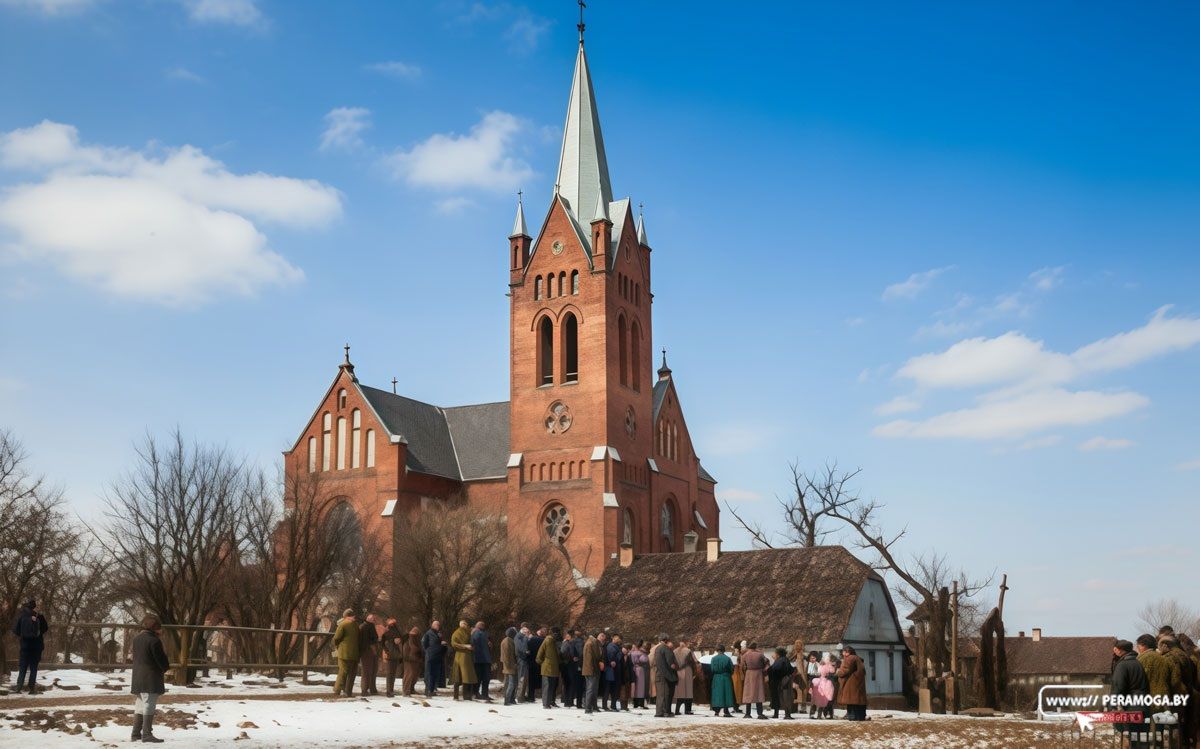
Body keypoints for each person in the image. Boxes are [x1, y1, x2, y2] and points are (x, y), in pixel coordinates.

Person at [130, 614, 171, 743]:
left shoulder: (137, 639)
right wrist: (165, 668)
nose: (161, 630)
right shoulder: (154, 641)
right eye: (159, 628)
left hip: (138, 677)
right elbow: (161, 660)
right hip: (150, 677)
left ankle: (136, 733)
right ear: (155, 628)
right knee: (149, 705)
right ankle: (147, 734)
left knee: (140, 705)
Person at [1111, 639, 1149, 741]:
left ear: (1120, 650)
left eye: (1115, 649)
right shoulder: (1137, 662)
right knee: (1141, 740)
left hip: (1131, 707)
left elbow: (1118, 687)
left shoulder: (1122, 665)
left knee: (1132, 739)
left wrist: (1112, 705)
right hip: (1143, 704)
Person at [11, 600, 48, 696]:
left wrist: (24, 635)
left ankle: (18, 687)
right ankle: (32, 688)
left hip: (25, 646)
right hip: (36, 647)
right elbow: (45, 629)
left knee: (22, 667)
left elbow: (16, 630)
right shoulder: (39, 616)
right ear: (35, 607)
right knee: (33, 668)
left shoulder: (22, 616)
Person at [1137, 634, 1176, 702]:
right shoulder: (1164, 658)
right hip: (1165, 697)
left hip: (1148, 699)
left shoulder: (1141, 660)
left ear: (1144, 646)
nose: (1138, 648)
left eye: (1139, 646)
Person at [332, 609, 360, 698]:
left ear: (346, 616)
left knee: (343, 671)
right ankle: (348, 691)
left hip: (344, 652)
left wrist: (337, 646)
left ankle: (337, 689)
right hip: (355, 653)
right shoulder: (356, 625)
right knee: (351, 673)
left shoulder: (343, 624)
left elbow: (336, 638)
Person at [837, 645, 867, 721]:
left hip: (851, 683)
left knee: (851, 701)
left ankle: (852, 716)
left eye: (844, 652)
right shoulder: (857, 658)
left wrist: (838, 673)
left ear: (847, 652)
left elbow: (846, 669)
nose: (843, 653)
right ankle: (860, 717)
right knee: (858, 701)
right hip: (858, 683)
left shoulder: (850, 658)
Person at [739, 642, 768, 719]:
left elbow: (741, 666)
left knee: (748, 693)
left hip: (748, 674)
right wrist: (764, 671)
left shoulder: (744, 655)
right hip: (758, 673)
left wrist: (744, 673)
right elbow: (767, 662)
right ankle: (760, 713)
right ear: (755, 647)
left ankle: (748, 713)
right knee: (759, 693)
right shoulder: (760, 654)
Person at [450, 620, 477, 701]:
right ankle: (457, 696)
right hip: (461, 656)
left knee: (466, 677)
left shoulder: (468, 632)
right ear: (462, 624)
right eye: (465, 624)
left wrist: (471, 646)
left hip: (467, 656)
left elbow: (472, 642)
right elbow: (453, 644)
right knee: (460, 676)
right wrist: (465, 646)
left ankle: (466, 696)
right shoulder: (457, 633)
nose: (467, 625)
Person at [653, 634, 679, 718]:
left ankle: (659, 711)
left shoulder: (657, 648)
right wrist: (675, 667)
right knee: (665, 694)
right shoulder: (665, 648)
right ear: (666, 640)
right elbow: (671, 663)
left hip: (658, 674)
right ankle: (665, 712)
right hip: (666, 676)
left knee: (660, 695)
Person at [767, 647, 796, 719]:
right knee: (785, 697)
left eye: (775, 653)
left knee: (784, 697)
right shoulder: (784, 659)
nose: (773, 654)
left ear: (778, 654)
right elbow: (791, 669)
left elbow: (774, 669)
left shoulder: (780, 660)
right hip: (784, 681)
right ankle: (786, 714)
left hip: (782, 681)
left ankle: (784, 715)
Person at [536, 627, 562, 708]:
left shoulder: (553, 641)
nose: (557, 635)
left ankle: (549, 703)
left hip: (552, 668)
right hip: (548, 668)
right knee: (548, 687)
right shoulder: (549, 640)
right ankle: (546, 704)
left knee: (550, 687)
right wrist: (542, 663)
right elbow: (539, 655)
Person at [709, 644, 736, 717]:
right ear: (724, 650)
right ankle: (726, 711)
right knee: (726, 694)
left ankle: (716, 711)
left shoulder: (713, 659)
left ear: (717, 650)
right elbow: (731, 669)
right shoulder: (727, 658)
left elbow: (712, 669)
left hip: (717, 678)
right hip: (726, 677)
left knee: (717, 694)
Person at [358, 613, 381, 696]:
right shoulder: (363, 627)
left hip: (372, 651)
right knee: (366, 671)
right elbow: (363, 641)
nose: (373, 620)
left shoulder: (370, 626)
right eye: (372, 618)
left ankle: (372, 688)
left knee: (373, 670)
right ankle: (364, 690)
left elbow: (374, 638)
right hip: (366, 652)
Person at [381, 617, 404, 698]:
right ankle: (389, 691)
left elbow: (400, 638)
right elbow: (382, 643)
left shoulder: (396, 631)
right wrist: (386, 651)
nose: (393, 624)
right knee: (390, 674)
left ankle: (391, 690)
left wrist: (399, 640)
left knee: (392, 674)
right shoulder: (387, 633)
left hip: (395, 655)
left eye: (394, 622)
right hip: (391, 655)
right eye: (392, 622)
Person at [582, 630, 603, 714]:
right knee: (591, 689)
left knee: (593, 689)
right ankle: (588, 708)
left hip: (592, 669)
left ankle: (593, 706)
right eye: (601, 635)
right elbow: (594, 657)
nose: (603, 638)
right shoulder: (592, 643)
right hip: (591, 670)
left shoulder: (592, 643)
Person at [471, 621, 493, 701]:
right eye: (482, 625)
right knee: (483, 678)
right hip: (482, 659)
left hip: (480, 659)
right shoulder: (479, 633)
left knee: (481, 678)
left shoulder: (478, 633)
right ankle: (480, 694)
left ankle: (480, 693)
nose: (483, 626)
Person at [674, 637, 697, 715]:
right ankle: (688, 710)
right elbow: (693, 662)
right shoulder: (688, 651)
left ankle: (677, 710)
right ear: (685, 643)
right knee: (688, 691)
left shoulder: (674, 651)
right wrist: (694, 673)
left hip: (678, 672)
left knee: (680, 692)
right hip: (687, 671)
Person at [421, 621, 444, 697]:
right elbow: (424, 643)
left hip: (437, 656)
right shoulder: (428, 633)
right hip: (430, 656)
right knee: (429, 673)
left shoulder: (438, 634)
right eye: (437, 625)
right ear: (433, 625)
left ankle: (432, 690)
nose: (438, 626)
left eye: (439, 625)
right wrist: (428, 651)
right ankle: (427, 690)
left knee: (435, 674)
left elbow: (438, 643)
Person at [525, 627, 546, 703]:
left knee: (531, 681)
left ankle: (531, 696)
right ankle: (544, 697)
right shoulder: (544, 641)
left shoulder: (531, 640)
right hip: (540, 663)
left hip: (531, 662)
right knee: (542, 680)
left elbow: (527, 651)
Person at [558, 629, 578, 707]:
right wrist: (572, 658)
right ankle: (567, 701)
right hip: (567, 666)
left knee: (570, 684)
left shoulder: (570, 643)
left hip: (570, 666)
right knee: (568, 684)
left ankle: (569, 701)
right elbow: (563, 654)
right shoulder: (566, 643)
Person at [603, 632, 623, 711]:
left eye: (619, 638)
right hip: (611, 670)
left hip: (615, 670)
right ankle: (607, 705)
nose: (618, 639)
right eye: (617, 638)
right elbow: (612, 658)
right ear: (613, 638)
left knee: (614, 688)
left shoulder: (617, 646)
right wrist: (612, 660)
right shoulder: (611, 646)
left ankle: (613, 705)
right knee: (609, 688)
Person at [402, 626, 423, 697]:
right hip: (409, 659)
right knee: (408, 675)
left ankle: (411, 689)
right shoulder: (409, 638)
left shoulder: (416, 638)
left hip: (415, 659)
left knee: (414, 675)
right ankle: (406, 691)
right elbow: (412, 648)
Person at [500, 626, 519, 705]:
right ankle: (507, 700)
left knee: (511, 683)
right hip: (510, 666)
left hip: (509, 665)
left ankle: (510, 699)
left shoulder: (507, 640)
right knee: (511, 684)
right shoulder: (508, 641)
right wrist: (512, 665)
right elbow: (508, 655)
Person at [630, 640, 650, 709]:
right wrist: (644, 653)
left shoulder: (632, 653)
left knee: (635, 686)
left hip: (633, 669)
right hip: (640, 670)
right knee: (641, 687)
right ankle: (641, 702)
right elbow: (645, 660)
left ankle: (635, 702)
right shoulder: (641, 653)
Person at [514, 623, 531, 703]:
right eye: (526, 629)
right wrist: (526, 638)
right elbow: (521, 648)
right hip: (521, 659)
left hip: (524, 659)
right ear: (523, 628)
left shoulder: (522, 636)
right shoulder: (519, 636)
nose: (527, 631)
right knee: (521, 678)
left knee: (524, 678)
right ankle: (519, 697)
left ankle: (521, 696)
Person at [731, 642, 745, 707]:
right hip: (736, 674)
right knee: (737, 691)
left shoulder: (737, 655)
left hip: (736, 674)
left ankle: (736, 705)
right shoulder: (737, 655)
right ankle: (736, 705)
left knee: (737, 690)